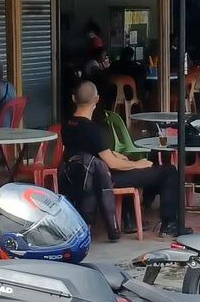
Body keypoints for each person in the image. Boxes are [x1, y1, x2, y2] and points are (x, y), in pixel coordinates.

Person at [62, 80, 180, 234]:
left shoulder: (67, 125)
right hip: (104, 179)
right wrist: (138, 164)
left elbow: (88, 151)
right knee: (168, 172)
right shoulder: (93, 129)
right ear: (96, 99)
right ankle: (169, 225)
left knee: (127, 163)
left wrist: (117, 156)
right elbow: (112, 163)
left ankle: (131, 218)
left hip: (77, 176)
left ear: (73, 98)